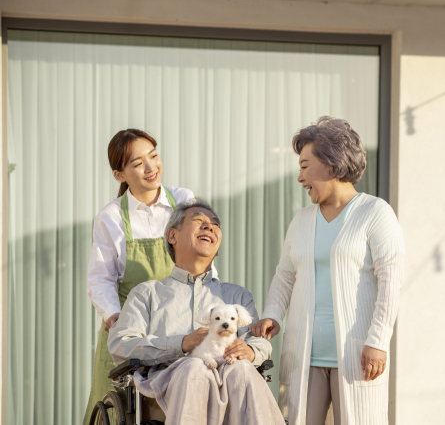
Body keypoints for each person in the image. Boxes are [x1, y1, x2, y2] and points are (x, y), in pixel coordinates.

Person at [250, 116, 405, 425]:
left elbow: (392, 280)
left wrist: (377, 340)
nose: (300, 177)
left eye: (305, 166)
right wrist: (272, 313)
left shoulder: (375, 213)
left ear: (332, 165)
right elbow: (285, 275)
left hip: (357, 357)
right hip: (303, 358)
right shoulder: (302, 220)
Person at [83, 129, 218, 425]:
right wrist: (115, 317)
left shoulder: (183, 199)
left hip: (181, 319)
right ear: (120, 174)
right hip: (133, 326)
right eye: (137, 163)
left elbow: (202, 253)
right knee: (119, 413)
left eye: (154, 156)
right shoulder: (111, 217)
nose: (150, 167)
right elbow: (100, 278)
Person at [108, 199, 284, 425]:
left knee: (241, 369)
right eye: (199, 220)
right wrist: (180, 343)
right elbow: (120, 345)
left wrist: (250, 350)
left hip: (230, 380)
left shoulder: (237, 297)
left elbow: (260, 343)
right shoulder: (147, 294)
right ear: (172, 236)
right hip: (166, 387)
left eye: (215, 225)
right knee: (194, 368)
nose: (210, 227)